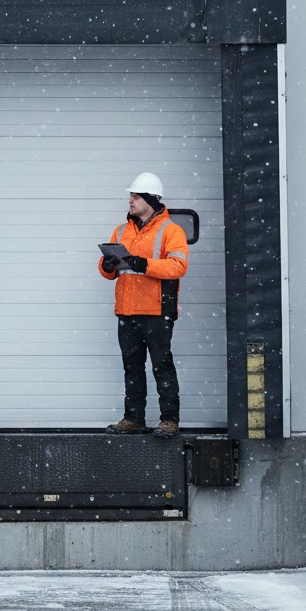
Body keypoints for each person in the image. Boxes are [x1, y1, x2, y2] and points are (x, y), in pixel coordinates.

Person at [98, 173, 189, 438]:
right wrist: (106, 266)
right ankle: (134, 418)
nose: (130, 201)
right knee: (132, 366)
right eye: (131, 196)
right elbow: (111, 272)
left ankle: (169, 421)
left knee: (162, 365)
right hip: (127, 310)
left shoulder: (171, 230)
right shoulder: (121, 230)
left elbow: (178, 266)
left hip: (157, 310)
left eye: (135, 196)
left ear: (150, 199)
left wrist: (144, 263)